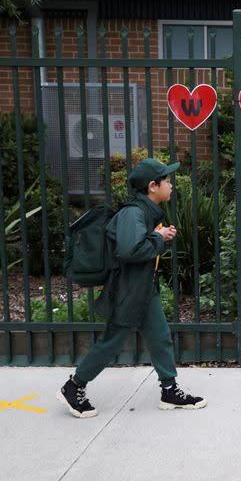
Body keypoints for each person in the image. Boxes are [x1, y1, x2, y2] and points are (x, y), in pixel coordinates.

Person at [57, 158, 207, 418]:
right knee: (112, 343)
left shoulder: (145, 212)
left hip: (143, 289)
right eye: (167, 181)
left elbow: (139, 245)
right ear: (152, 186)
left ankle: (169, 390)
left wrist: (160, 236)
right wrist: (159, 239)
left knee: (160, 338)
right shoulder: (133, 213)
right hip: (128, 291)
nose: (171, 185)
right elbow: (130, 250)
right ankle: (73, 386)